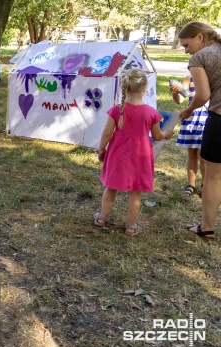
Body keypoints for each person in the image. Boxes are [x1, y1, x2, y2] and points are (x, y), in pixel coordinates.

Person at [93, 69, 172, 236]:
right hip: (140, 157)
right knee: (135, 192)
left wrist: (101, 148)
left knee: (110, 187)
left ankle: (102, 218)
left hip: (117, 154)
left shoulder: (117, 110)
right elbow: (157, 136)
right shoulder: (151, 112)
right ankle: (131, 226)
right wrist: (166, 134)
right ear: (144, 88)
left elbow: (107, 133)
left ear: (123, 86)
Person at [178, 22, 221, 239]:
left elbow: (202, 95)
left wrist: (188, 109)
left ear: (200, 37)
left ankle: (206, 227)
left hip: (219, 119)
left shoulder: (200, 58)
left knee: (214, 178)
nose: (186, 50)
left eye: (186, 44)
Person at [170, 75, 208, 196]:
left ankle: (205, 185)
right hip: (191, 117)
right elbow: (180, 100)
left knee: (204, 156)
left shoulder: (212, 75)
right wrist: (175, 93)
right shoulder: (188, 79)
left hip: (206, 118)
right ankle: (190, 185)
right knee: (192, 154)